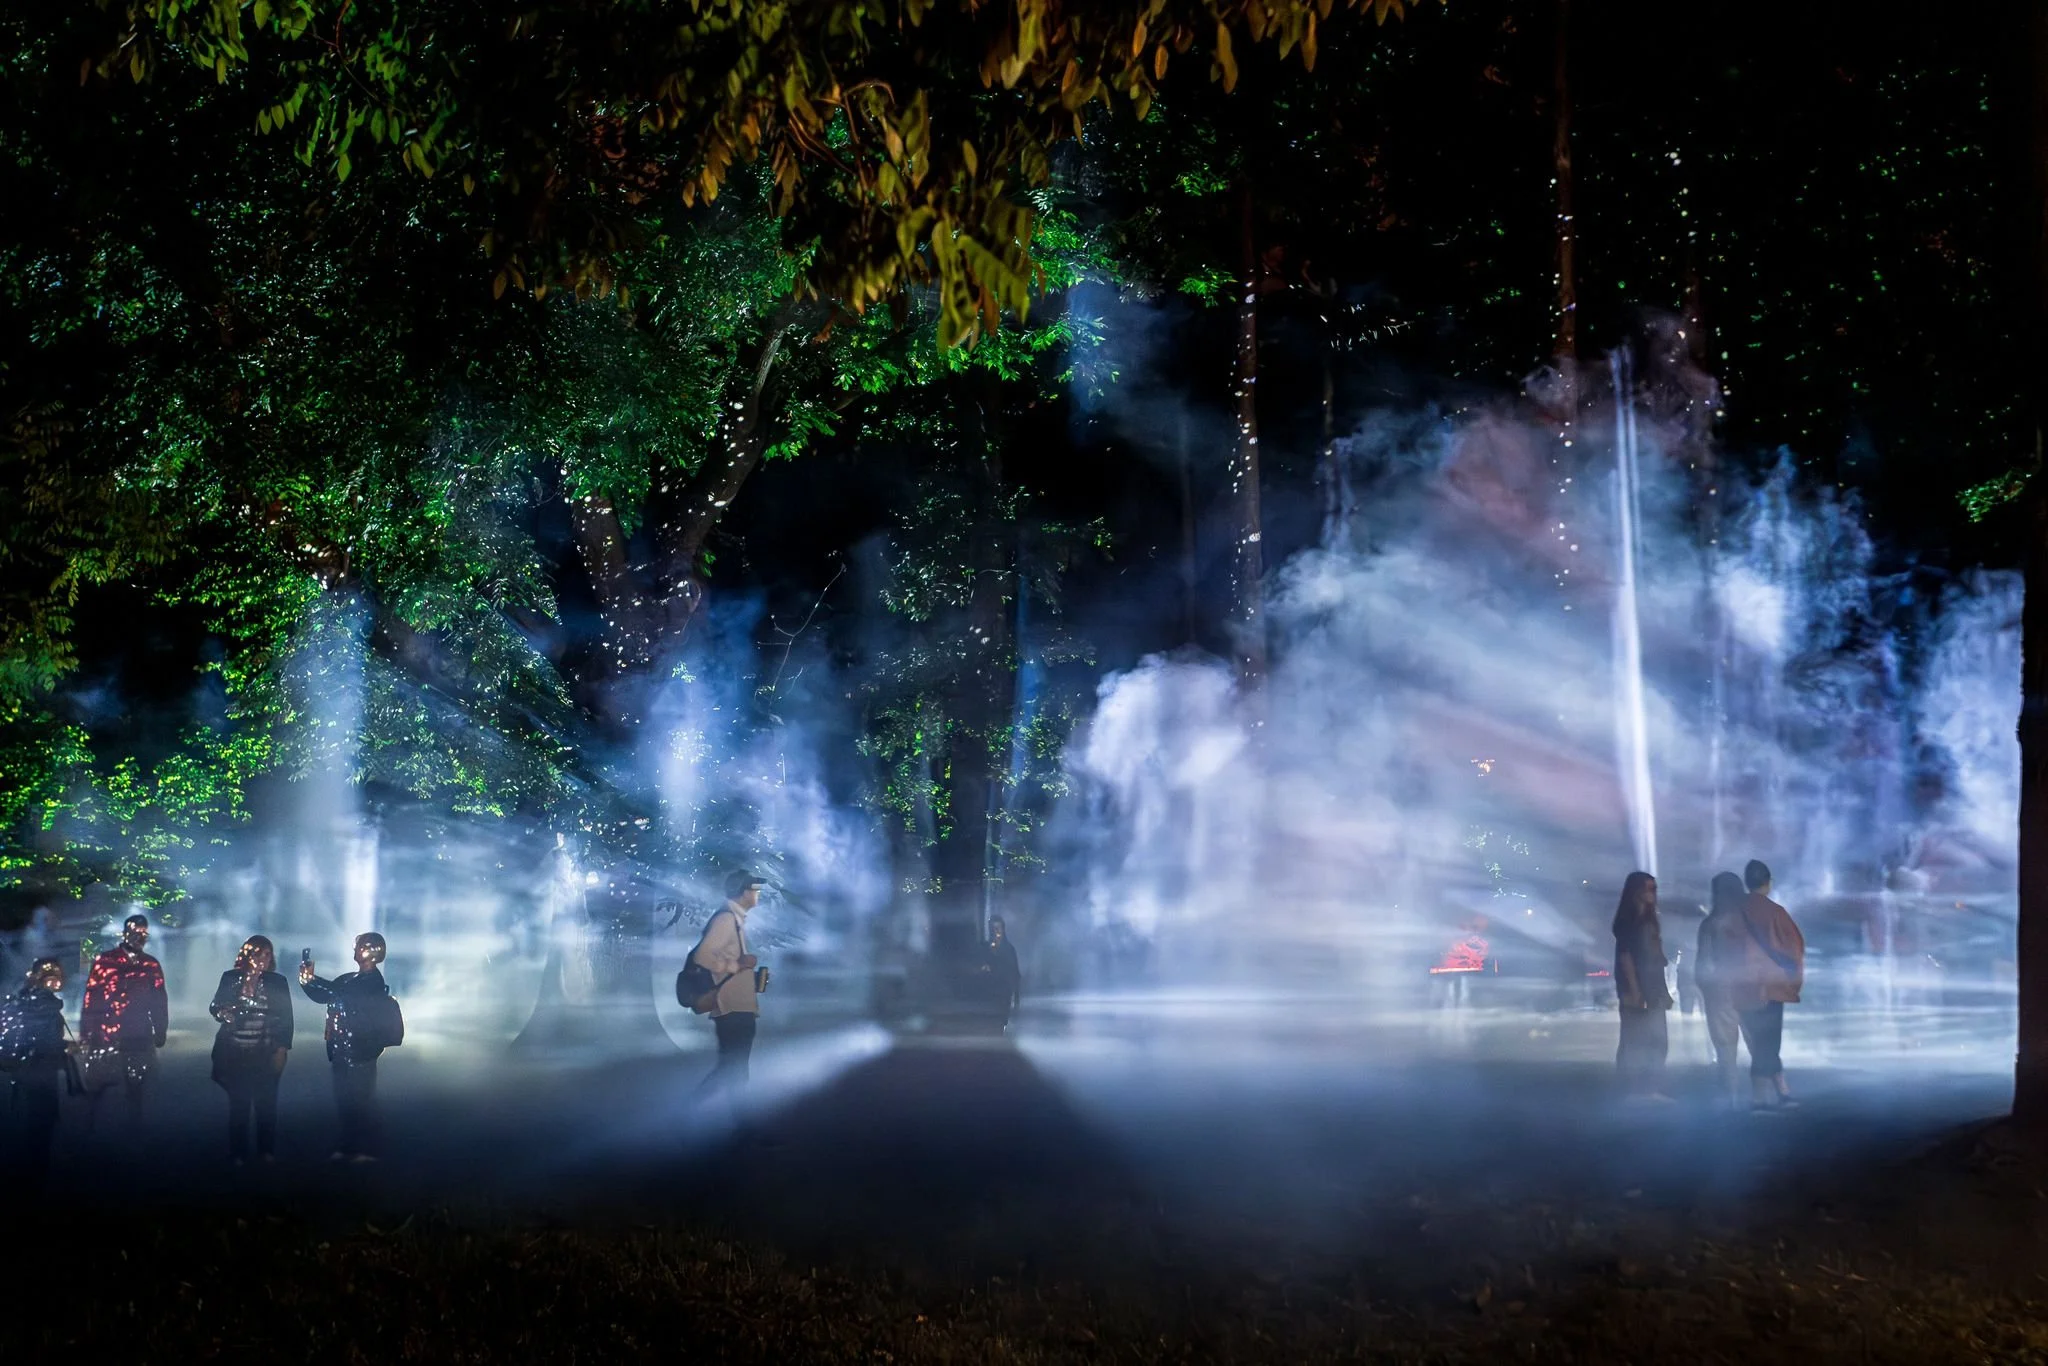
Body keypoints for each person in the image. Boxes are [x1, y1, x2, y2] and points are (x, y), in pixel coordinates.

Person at [300, 933, 396, 1162]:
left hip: (361, 1051)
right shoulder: (348, 979)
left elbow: (341, 993)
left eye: (360, 946)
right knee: (344, 1100)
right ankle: (349, 1145)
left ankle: (367, 1148)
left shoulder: (372, 981)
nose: (356, 949)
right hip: (340, 1049)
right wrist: (307, 980)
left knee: (361, 1100)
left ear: (373, 952)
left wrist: (313, 980)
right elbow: (325, 994)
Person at [209, 935, 294, 1165]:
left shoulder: (277, 982)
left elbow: (286, 1016)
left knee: (266, 1103)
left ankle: (266, 1150)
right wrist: (223, 1012)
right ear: (248, 956)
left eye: (268, 954)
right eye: (259, 954)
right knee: (239, 1103)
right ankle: (238, 1152)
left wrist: (282, 1047)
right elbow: (215, 1004)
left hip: (265, 1050)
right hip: (236, 1049)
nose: (264, 959)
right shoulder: (231, 978)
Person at [80, 913, 168, 1133]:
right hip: (106, 1030)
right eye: (136, 932)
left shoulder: (150, 964)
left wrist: (160, 1028)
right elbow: (91, 996)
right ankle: (90, 1122)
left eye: (144, 933)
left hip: (139, 1030)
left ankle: (134, 1126)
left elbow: (159, 998)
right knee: (99, 1079)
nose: (140, 937)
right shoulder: (105, 961)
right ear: (125, 933)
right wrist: (87, 1032)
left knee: (137, 1079)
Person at [1735, 859, 1805, 1111]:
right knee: (1768, 1041)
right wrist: (1794, 981)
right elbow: (1794, 948)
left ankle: (1778, 1092)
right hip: (1770, 986)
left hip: (1741, 986)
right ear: (1768, 883)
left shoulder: (1735, 911)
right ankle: (1760, 1099)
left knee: (1757, 1041)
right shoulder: (1776, 912)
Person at [691, 872, 766, 1101]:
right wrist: (736, 965)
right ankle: (692, 1109)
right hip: (732, 1009)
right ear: (744, 892)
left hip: (738, 1007)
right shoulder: (726, 920)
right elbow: (702, 957)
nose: (757, 894)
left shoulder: (736, 919)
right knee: (733, 1068)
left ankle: (736, 1122)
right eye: (755, 890)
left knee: (733, 1068)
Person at [1, 958, 72, 1186]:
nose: (54, 982)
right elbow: (42, 1039)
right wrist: (63, 1048)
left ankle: (29, 1169)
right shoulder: (36, 1005)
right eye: (50, 978)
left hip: (31, 1070)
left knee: (32, 1118)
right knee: (38, 1120)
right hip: (37, 1069)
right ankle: (32, 1172)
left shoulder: (21, 1001)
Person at [1611, 871, 1673, 1099]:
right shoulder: (1631, 922)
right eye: (1649, 888)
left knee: (1653, 1041)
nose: (1653, 893)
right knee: (1636, 1042)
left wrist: (1662, 990)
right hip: (1639, 991)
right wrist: (1636, 990)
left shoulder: (1648, 921)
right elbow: (1626, 958)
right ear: (1636, 891)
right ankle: (1637, 1090)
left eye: (1655, 888)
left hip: (1652, 989)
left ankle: (1646, 1089)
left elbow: (1656, 960)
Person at [1694, 871, 1751, 1108]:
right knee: (1758, 1044)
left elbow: (1704, 964)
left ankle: (1730, 1096)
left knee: (1725, 1047)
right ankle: (1767, 1094)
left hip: (1722, 990)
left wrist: (1707, 988)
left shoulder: (1712, 923)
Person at [985, 917, 1022, 1031]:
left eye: (998, 928)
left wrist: (1016, 998)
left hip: (1003, 993)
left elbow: (1015, 972)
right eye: (993, 929)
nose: (996, 932)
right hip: (988, 993)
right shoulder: (985, 948)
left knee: (1000, 1023)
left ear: (1003, 930)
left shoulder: (1009, 949)